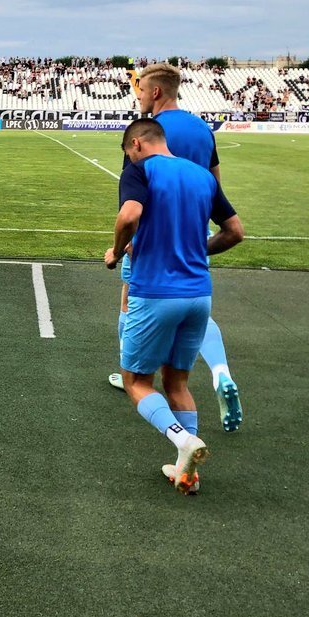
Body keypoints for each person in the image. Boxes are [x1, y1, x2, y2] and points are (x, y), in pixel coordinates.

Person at [105, 118, 244, 494]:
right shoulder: (203, 176)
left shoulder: (139, 171)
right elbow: (235, 232)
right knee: (177, 382)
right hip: (199, 295)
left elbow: (129, 215)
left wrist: (116, 252)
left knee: (136, 381)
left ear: (135, 144)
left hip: (155, 293)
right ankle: (188, 472)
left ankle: (182, 440)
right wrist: (200, 250)